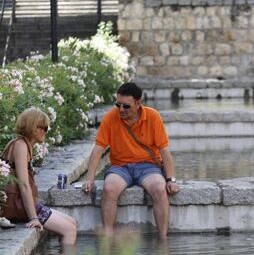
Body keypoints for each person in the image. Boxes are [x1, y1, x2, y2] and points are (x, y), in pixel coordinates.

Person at [83, 82, 180, 239]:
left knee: (159, 188)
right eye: (118, 105)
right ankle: (108, 237)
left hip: (148, 167)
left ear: (138, 103)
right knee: (109, 188)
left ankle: (163, 239)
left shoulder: (153, 116)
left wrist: (171, 179)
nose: (121, 110)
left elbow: (164, 150)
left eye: (126, 106)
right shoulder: (110, 118)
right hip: (120, 167)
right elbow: (98, 149)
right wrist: (89, 179)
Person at [1, 107, 77, 245]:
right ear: (33, 128)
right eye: (44, 128)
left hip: (22, 204)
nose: (46, 131)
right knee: (69, 230)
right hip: (18, 206)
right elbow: (23, 184)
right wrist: (34, 218)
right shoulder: (21, 146)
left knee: (72, 223)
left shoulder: (24, 145)